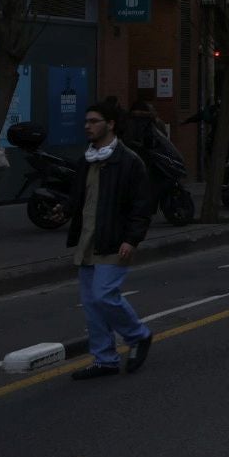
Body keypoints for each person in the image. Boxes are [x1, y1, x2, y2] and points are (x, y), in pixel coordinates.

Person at [66, 99, 154, 380]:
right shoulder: (87, 160)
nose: (87, 127)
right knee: (91, 304)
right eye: (86, 122)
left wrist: (132, 239)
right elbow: (79, 198)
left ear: (111, 124)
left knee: (105, 295)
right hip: (89, 241)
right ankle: (105, 359)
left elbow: (142, 206)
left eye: (93, 121)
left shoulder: (128, 161)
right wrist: (64, 211)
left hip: (115, 241)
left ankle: (138, 335)